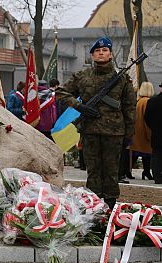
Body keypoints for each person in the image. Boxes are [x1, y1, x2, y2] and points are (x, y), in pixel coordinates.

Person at [56, 36, 136, 209]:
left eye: (105, 50)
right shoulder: (82, 76)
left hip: (114, 132)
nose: (101, 53)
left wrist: (129, 133)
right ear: (92, 55)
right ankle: (94, 206)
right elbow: (61, 93)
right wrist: (80, 107)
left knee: (111, 172)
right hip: (90, 130)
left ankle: (110, 206)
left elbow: (129, 107)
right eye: (97, 51)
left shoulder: (122, 79)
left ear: (110, 54)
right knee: (93, 171)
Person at [125, 81, 155, 181]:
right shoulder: (147, 102)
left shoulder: (138, 101)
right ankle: (146, 171)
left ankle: (127, 170)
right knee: (147, 153)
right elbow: (147, 118)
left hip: (136, 131)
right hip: (144, 131)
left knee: (134, 152)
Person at [144, 82, 162, 184]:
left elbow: (146, 117)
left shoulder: (152, 101)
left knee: (156, 155)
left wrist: (153, 127)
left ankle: (157, 177)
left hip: (157, 133)